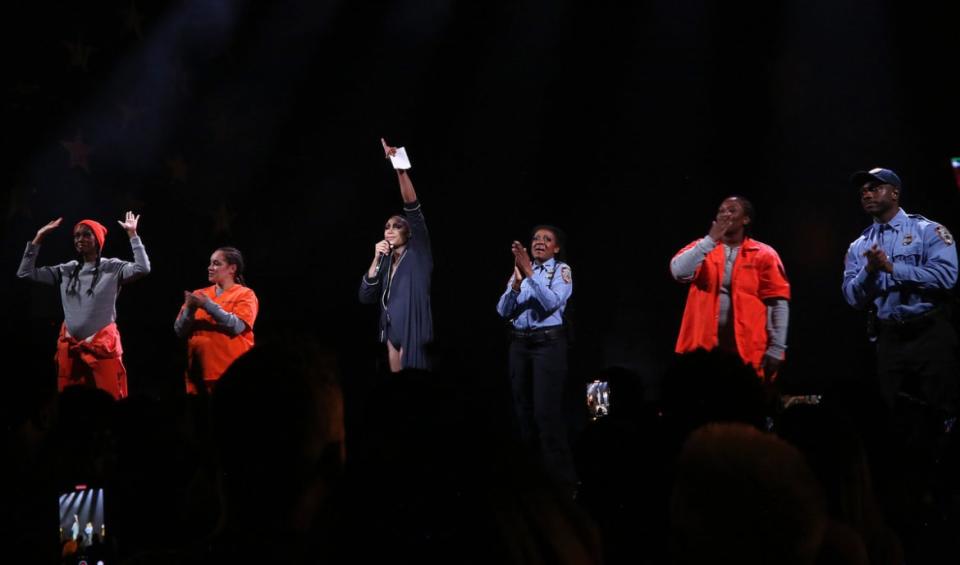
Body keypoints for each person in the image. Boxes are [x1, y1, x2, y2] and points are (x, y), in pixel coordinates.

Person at [842, 167, 958, 418]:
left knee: (942, 410)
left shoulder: (928, 230)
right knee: (893, 415)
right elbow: (852, 298)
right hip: (889, 338)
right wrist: (869, 271)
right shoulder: (858, 246)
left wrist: (893, 268)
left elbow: (946, 277)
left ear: (894, 193)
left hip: (929, 333)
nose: (866, 194)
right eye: (863, 191)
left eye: (874, 188)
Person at [17, 212, 150, 399]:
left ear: (98, 239)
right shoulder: (67, 270)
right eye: (77, 236)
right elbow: (25, 273)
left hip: (102, 349)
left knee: (108, 401)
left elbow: (143, 268)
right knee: (71, 405)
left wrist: (132, 235)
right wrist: (39, 237)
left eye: (86, 234)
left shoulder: (112, 267)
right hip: (71, 351)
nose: (80, 239)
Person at [670, 196, 791, 382]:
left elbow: (777, 304)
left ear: (746, 219)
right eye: (721, 211)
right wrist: (710, 240)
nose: (725, 214)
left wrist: (776, 348)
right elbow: (679, 272)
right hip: (702, 353)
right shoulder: (702, 248)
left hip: (748, 354)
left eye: (732, 210)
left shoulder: (764, 254)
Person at [496, 225, 577, 491]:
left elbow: (551, 302)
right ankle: (530, 482)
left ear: (556, 248)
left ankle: (562, 484)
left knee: (546, 414)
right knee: (522, 413)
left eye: (547, 239)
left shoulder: (560, 270)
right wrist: (517, 284)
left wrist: (529, 273)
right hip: (519, 345)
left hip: (547, 346)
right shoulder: (522, 269)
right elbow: (503, 310)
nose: (539, 242)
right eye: (536, 238)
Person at [358, 139, 433, 372]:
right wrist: (376, 260)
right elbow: (365, 297)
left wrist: (399, 167)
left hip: (414, 331)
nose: (390, 229)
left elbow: (411, 205)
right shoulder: (386, 261)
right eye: (387, 226)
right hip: (390, 333)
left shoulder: (418, 252)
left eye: (397, 226)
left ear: (409, 232)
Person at [175, 247, 258, 394]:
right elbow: (179, 330)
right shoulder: (199, 295)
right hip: (198, 377)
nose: (210, 268)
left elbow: (237, 327)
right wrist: (190, 309)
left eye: (216, 263)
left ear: (232, 268)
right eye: (210, 263)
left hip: (231, 375)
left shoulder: (245, 295)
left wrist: (207, 305)